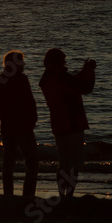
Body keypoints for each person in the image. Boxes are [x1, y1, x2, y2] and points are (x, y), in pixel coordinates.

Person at [39, 48, 96, 197]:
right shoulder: (60, 77)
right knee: (72, 163)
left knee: (63, 162)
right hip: (72, 123)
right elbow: (84, 88)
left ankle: (62, 194)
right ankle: (69, 195)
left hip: (58, 124)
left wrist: (84, 72)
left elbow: (73, 84)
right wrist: (89, 71)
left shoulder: (47, 78)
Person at [0, 50, 39, 198]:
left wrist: (5, 117)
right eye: (20, 61)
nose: (23, 64)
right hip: (22, 127)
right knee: (32, 162)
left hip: (7, 127)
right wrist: (31, 119)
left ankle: (8, 195)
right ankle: (28, 195)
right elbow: (30, 102)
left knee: (9, 162)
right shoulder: (21, 79)